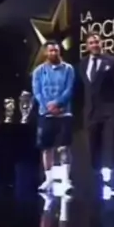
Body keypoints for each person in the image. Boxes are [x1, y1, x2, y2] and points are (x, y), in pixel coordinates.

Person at [78, 31, 114, 175]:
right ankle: (96, 178)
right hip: (91, 112)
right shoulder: (83, 63)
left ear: (102, 43)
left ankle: (113, 179)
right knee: (93, 147)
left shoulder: (113, 61)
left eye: (97, 42)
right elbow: (83, 88)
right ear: (87, 46)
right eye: (91, 43)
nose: (94, 45)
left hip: (109, 111)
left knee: (110, 146)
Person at [32, 40, 75, 192]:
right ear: (46, 52)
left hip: (64, 113)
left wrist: (57, 103)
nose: (53, 53)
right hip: (45, 114)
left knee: (64, 147)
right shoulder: (38, 71)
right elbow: (37, 92)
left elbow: (69, 89)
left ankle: (66, 180)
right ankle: (48, 179)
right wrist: (48, 106)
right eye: (50, 50)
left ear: (59, 51)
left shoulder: (68, 69)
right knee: (46, 148)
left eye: (56, 50)